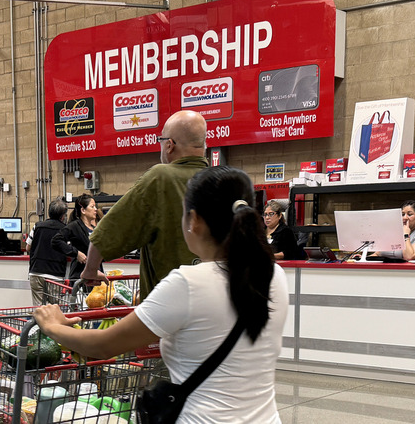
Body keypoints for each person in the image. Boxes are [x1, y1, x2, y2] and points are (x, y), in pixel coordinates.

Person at [35, 166, 289, 422]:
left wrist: (53, 326)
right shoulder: (274, 275)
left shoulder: (187, 284)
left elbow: (104, 345)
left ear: (194, 220)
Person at [81, 110, 209, 298]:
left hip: (169, 309)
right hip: (216, 307)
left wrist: (91, 269)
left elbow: (111, 229)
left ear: (169, 145)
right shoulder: (222, 180)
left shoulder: (161, 177)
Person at [27, 198, 69, 305]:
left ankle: (39, 322)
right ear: (63, 216)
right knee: (54, 309)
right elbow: (68, 251)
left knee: (39, 309)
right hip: (55, 274)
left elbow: (28, 247)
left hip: (36, 271)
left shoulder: (37, 226)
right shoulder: (65, 229)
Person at [51, 194, 100, 282]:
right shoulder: (74, 226)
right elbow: (56, 240)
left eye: (95, 206)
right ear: (83, 210)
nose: (95, 209)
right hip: (80, 276)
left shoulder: (95, 229)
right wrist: (76, 253)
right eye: (92, 206)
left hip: (96, 275)